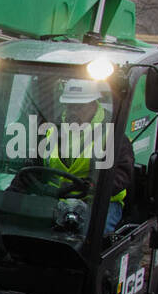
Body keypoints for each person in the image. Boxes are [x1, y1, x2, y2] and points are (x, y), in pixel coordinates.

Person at [50, 79, 134, 234]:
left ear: (94, 104)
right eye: (69, 106)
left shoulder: (114, 134)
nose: (73, 111)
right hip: (57, 200)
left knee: (92, 236)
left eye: (79, 107)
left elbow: (123, 173)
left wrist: (94, 187)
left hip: (99, 202)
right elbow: (32, 167)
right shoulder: (51, 131)